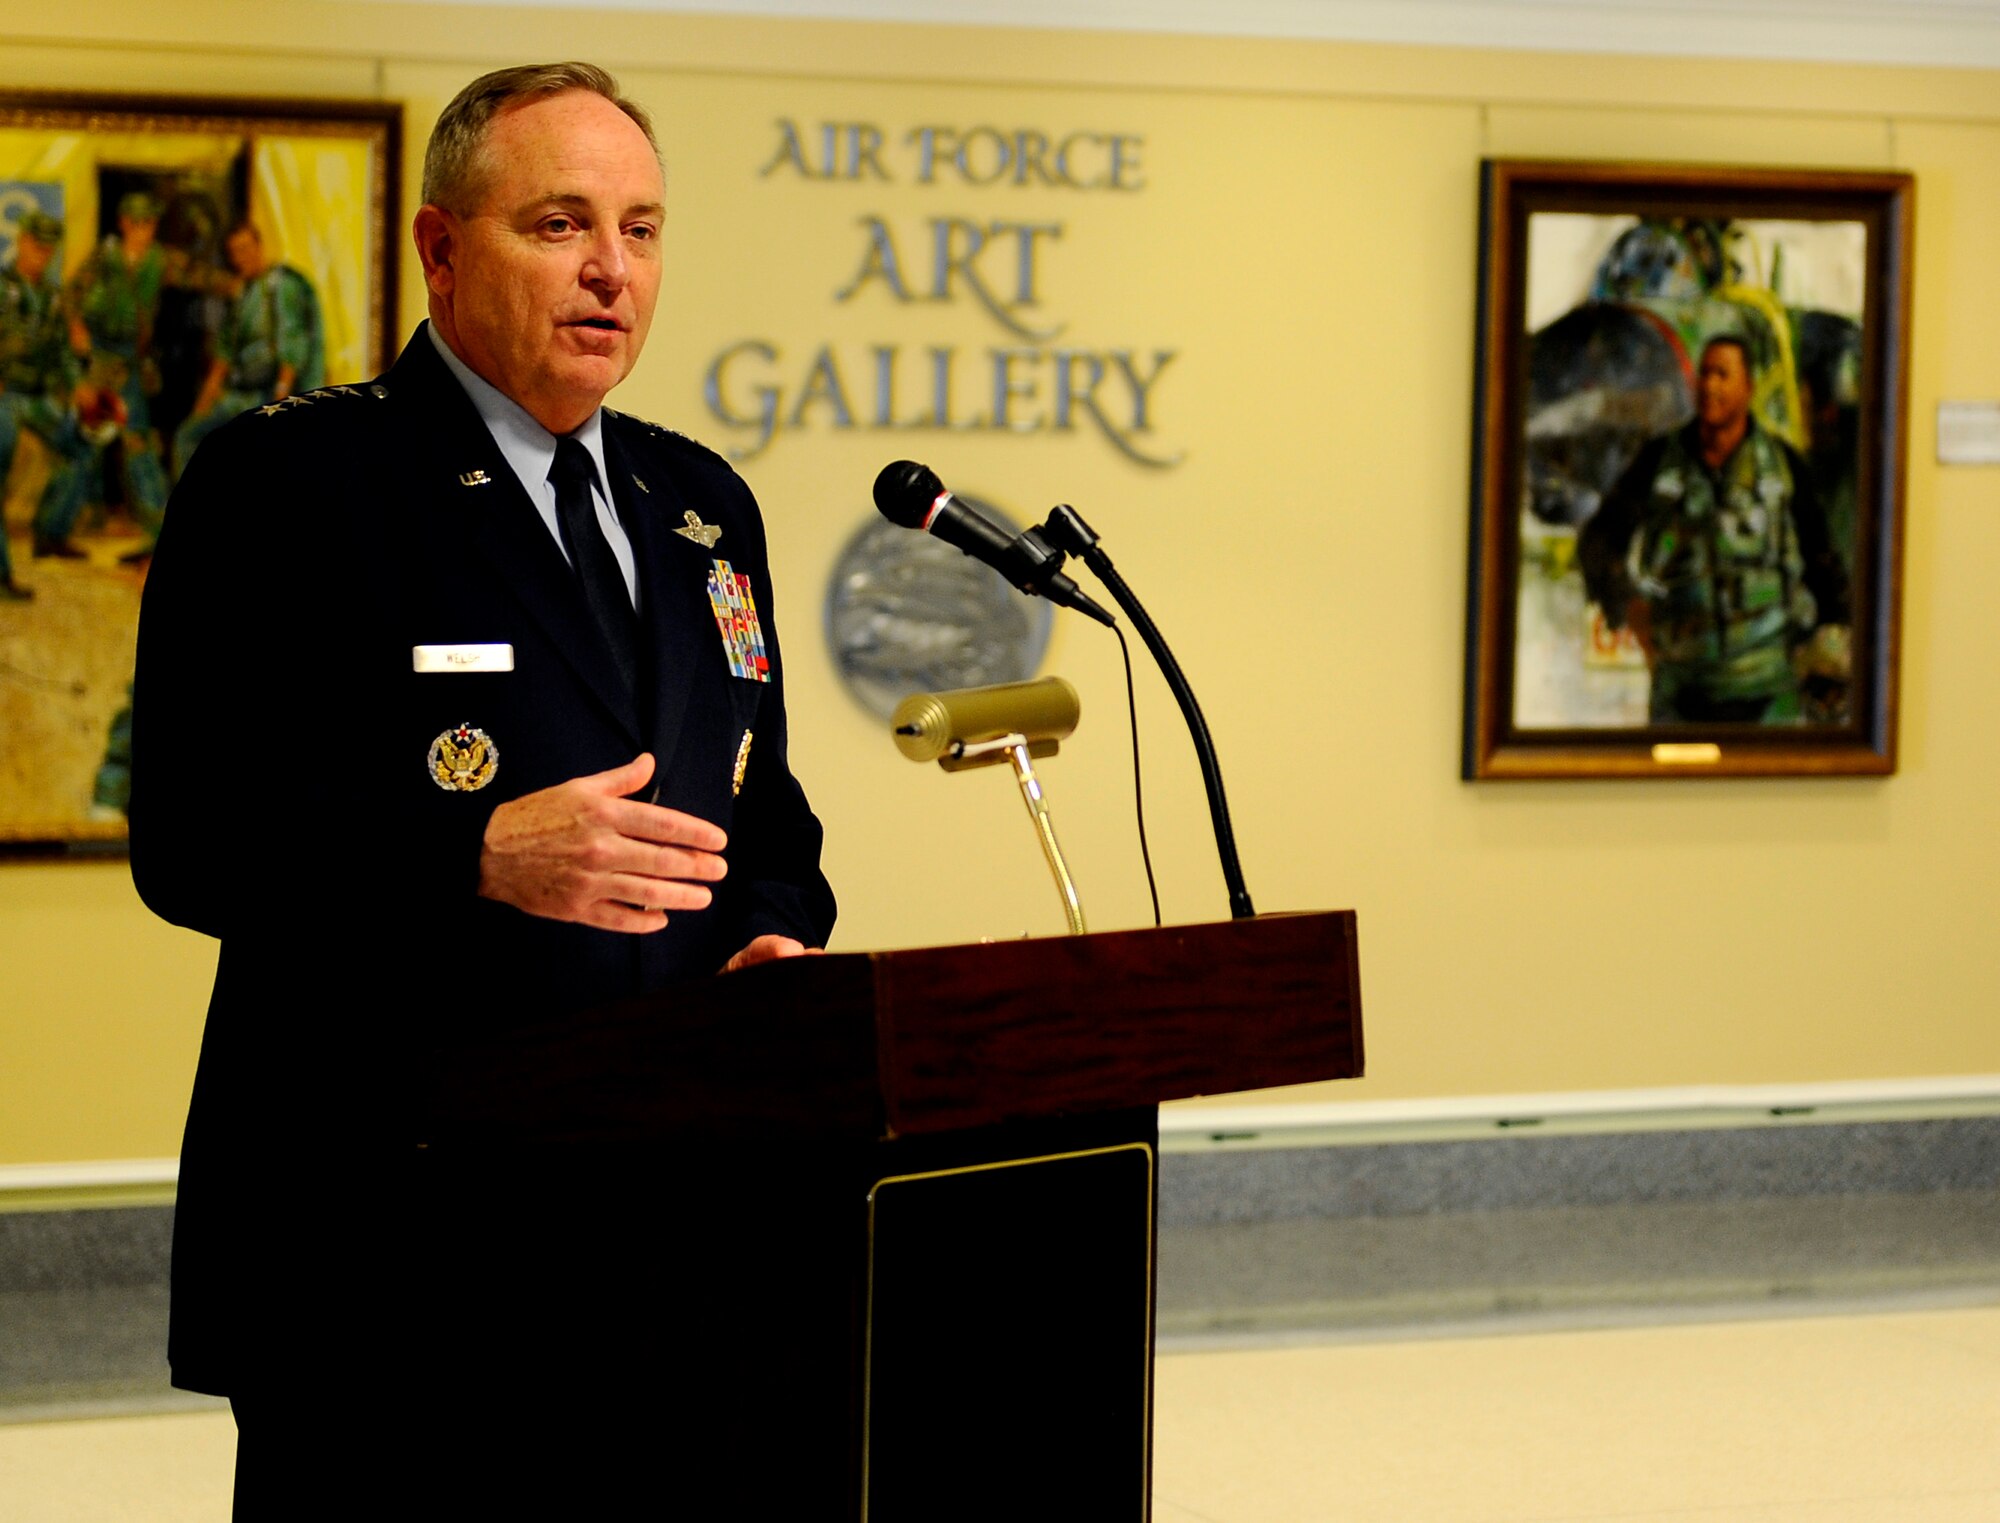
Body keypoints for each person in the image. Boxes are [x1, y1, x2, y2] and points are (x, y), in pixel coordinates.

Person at [128, 62, 835, 1510]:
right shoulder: (288, 484)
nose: (610, 270)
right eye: (560, 223)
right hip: (390, 1237)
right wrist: (469, 853)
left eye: (641, 230)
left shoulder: (703, 505)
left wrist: (776, 929)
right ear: (440, 249)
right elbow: (190, 840)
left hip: (674, 1223)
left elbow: (765, 810)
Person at [1579, 334, 1853, 724]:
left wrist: (1834, 642)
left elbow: (1822, 562)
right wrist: (1626, 604)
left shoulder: (1785, 467)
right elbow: (1599, 540)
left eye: (1723, 375)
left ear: (1748, 387)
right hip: (1681, 689)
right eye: (1705, 373)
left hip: (1770, 690)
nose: (1710, 386)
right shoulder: (1659, 461)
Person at [171, 220, 325, 477]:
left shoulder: (281, 285)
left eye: (245, 248)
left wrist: (283, 402)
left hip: (268, 397)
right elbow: (225, 352)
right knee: (189, 436)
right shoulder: (243, 294)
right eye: (234, 252)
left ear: (258, 246)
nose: (241, 257)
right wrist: (204, 403)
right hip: (241, 395)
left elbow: (292, 344)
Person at [66, 190, 171, 552]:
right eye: (139, 223)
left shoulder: (159, 259)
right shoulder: (105, 254)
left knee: (137, 440)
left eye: (151, 223)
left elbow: (197, 273)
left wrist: (235, 285)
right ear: (124, 223)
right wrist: (76, 326)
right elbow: (72, 293)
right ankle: (81, 516)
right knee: (90, 435)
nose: (145, 230)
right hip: (100, 355)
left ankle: (159, 524)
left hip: (130, 359)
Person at [0, 210, 91, 595]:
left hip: (36, 397)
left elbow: (62, 353)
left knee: (82, 442)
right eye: (36, 246)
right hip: (4, 394)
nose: (41, 255)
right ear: (21, 243)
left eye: (48, 249)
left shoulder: (53, 297)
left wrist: (77, 385)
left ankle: (50, 532)